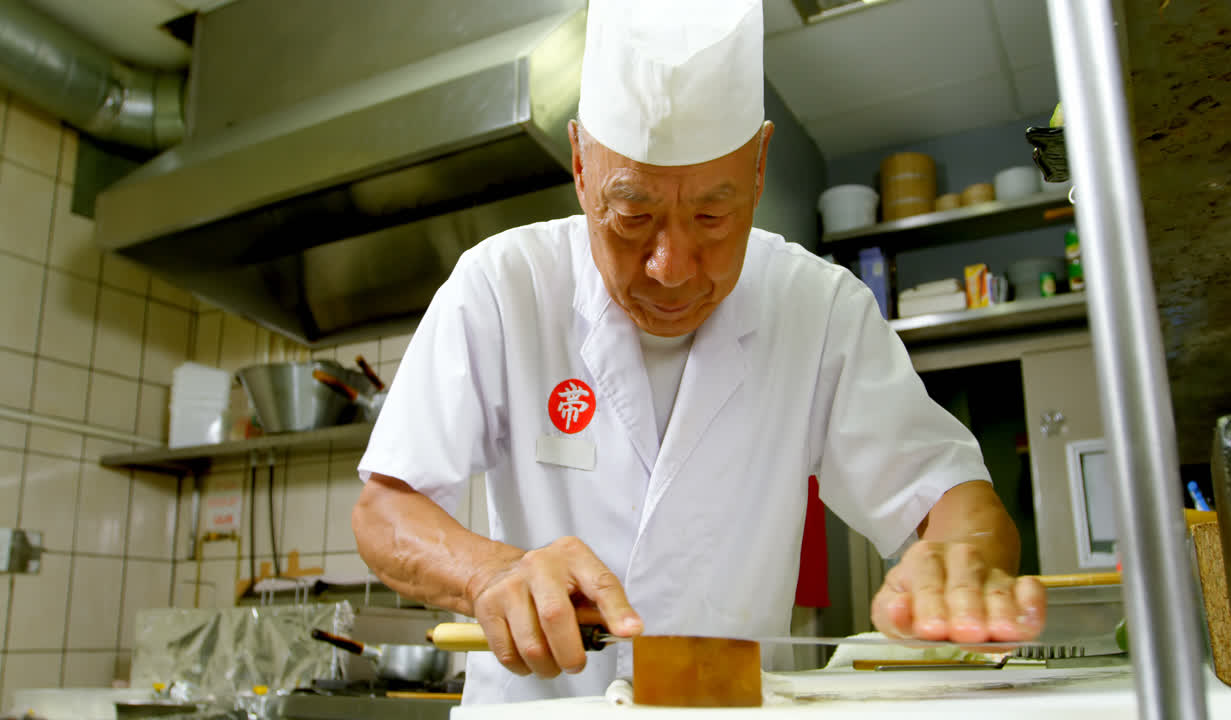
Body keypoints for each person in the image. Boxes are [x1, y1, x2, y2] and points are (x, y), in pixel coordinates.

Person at [352, 0, 1046, 705]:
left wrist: (961, 561)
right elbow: (385, 510)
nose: (673, 267)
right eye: (633, 217)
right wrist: (488, 573)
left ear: (759, 169)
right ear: (582, 167)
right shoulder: (504, 285)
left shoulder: (820, 308)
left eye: (712, 217)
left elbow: (954, 497)